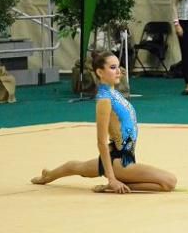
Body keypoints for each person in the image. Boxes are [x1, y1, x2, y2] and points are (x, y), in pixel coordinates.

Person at [30, 51, 177, 193]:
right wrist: (112, 179)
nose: (118, 71)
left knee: (78, 167)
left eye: (118, 66)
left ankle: (48, 175)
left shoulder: (114, 93)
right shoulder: (104, 100)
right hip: (119, 161)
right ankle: (117, 184)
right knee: (169, 182)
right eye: (112, 68)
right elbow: (101, 142)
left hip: (121, 154)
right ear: (100, 72)